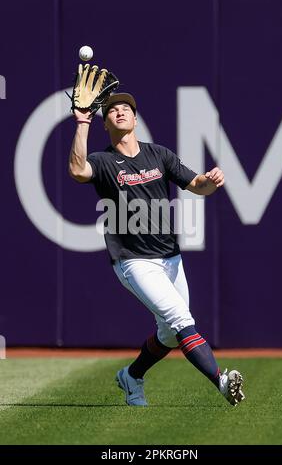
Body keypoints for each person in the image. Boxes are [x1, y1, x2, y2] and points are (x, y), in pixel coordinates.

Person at [69, 92, 245, 407]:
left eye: (126, 108)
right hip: (133, 260)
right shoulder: (104, 160)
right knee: (181, 320)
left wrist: (213, 181)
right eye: (112, 110)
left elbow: (198, 186)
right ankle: (220, 380)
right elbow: (78, 171)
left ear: (136, 120)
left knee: (168, 334)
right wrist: (82, 122)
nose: (119, 111)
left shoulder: (159, 155)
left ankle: (132, 376)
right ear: (105, 123)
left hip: (170, 257)